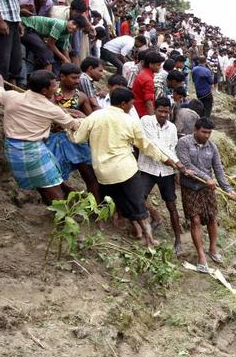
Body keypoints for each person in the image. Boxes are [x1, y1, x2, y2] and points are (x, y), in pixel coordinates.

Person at [68, 87, 190, 247]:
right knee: (138, 205)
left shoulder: (95, 117)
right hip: (126, 171)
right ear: (123, 104)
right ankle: (149, 239)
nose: (132, 107)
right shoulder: (130, 121)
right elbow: (146, 146)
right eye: (131, 104)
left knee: (116, 201)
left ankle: (118, 227)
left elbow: (77, 138)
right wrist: (165, 159)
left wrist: (71, 126)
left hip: (103, 173)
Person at [0, 71, 80, 204]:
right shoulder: (51, 109)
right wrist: (84, 118)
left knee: (43, 185)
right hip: (33, 151)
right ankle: (64, 215)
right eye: (54, 86)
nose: (56, 89)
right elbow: (72, 125)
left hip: (12, 149)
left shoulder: (11, 96)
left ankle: (60, 206)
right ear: (44, 90)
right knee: (52, 188)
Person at [175, 117, 236, 272]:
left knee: (212, 217)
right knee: (195, 220)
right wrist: (207, 178)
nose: (206, 135)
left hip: (207, 188)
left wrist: (228, 189)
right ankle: (201, 256)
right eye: (204, 132)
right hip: (190, 187)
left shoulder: (212, 147)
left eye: (209, 133)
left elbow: (218, 169)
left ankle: (212, 249)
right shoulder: (184, 143)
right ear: (195, 130)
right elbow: (187, 165)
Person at [44, 63, 100, 201]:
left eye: (78, 78)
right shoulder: (49, 93)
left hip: (76, 141)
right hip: (53, 140)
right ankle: (65, 198)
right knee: (53, 176)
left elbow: (91, 120)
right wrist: (66, 112)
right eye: (73, 78)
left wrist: (81, 116)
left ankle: (97, 207)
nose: (77, 81)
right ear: (62, 77)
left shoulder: (81, 96)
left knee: (90, 176)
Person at [139, 97, 184, 254]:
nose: (164, 114)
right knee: (139, 198)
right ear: (154, 109)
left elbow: (172, 147)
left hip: (166, 172)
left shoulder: (172, 128)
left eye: (166, 111)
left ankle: (178, 239)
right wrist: (175, 161)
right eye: (160, 111)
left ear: (170, 111)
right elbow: (154, 143)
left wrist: (176, 167)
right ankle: (147, 233)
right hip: (148, 168)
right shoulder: (146, 121)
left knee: (171, 205)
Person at [20, 15, 86, 70]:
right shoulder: (60, 25)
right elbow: (50, 44)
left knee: (55, 56)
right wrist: (64, 59)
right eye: (74, 23)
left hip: (36, 34)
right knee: (47, 52)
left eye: (77, 27)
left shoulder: (67, 34)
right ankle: (48, 79)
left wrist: (69, 64)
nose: (74, 27)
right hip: (26, 27)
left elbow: (65, 50)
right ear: (69, 20)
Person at [132, 50, 164, 117]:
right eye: (158, 65)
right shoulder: (148, 79)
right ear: (150, 65)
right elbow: (149, 102)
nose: (160, 67)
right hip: (142, 113)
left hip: (136, 109)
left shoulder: (143, 73)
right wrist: (152, 119)